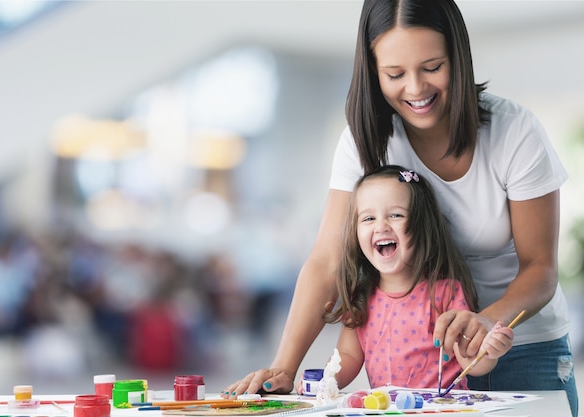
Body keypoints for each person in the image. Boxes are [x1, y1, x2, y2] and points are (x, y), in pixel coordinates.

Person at [222, 0, 578, 415]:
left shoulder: (513, 131)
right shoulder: (365, 142)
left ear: (458, 58)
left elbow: (541, 268)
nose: (415, 88)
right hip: (423, 362)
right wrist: (284, 367)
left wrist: (486, 321)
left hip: (519, 344)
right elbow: (326, 261)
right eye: (394, 74)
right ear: (373, 72)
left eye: (432, 68)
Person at [314, 166, 514, 391]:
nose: (381, 226)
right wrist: (323, 382)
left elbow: (471, 362)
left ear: (422, 225)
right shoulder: (361, 297)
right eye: (368, 218)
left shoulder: (446, 293)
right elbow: (348, 356)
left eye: (396, 215)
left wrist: (489, 349)